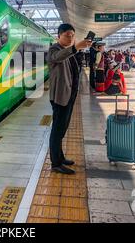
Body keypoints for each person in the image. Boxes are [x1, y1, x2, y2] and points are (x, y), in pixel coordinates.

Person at [47, 24, 92, 174]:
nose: (70, 38)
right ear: (58, 36)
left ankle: (60, 157)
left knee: (62, 128)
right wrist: (75, 47)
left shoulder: (69, 52)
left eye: (72, 35)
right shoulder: (54, 49)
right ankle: (55, 163)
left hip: (69, 96)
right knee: (57, 130)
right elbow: (58, 58)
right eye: (67, 35)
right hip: (60, 97)